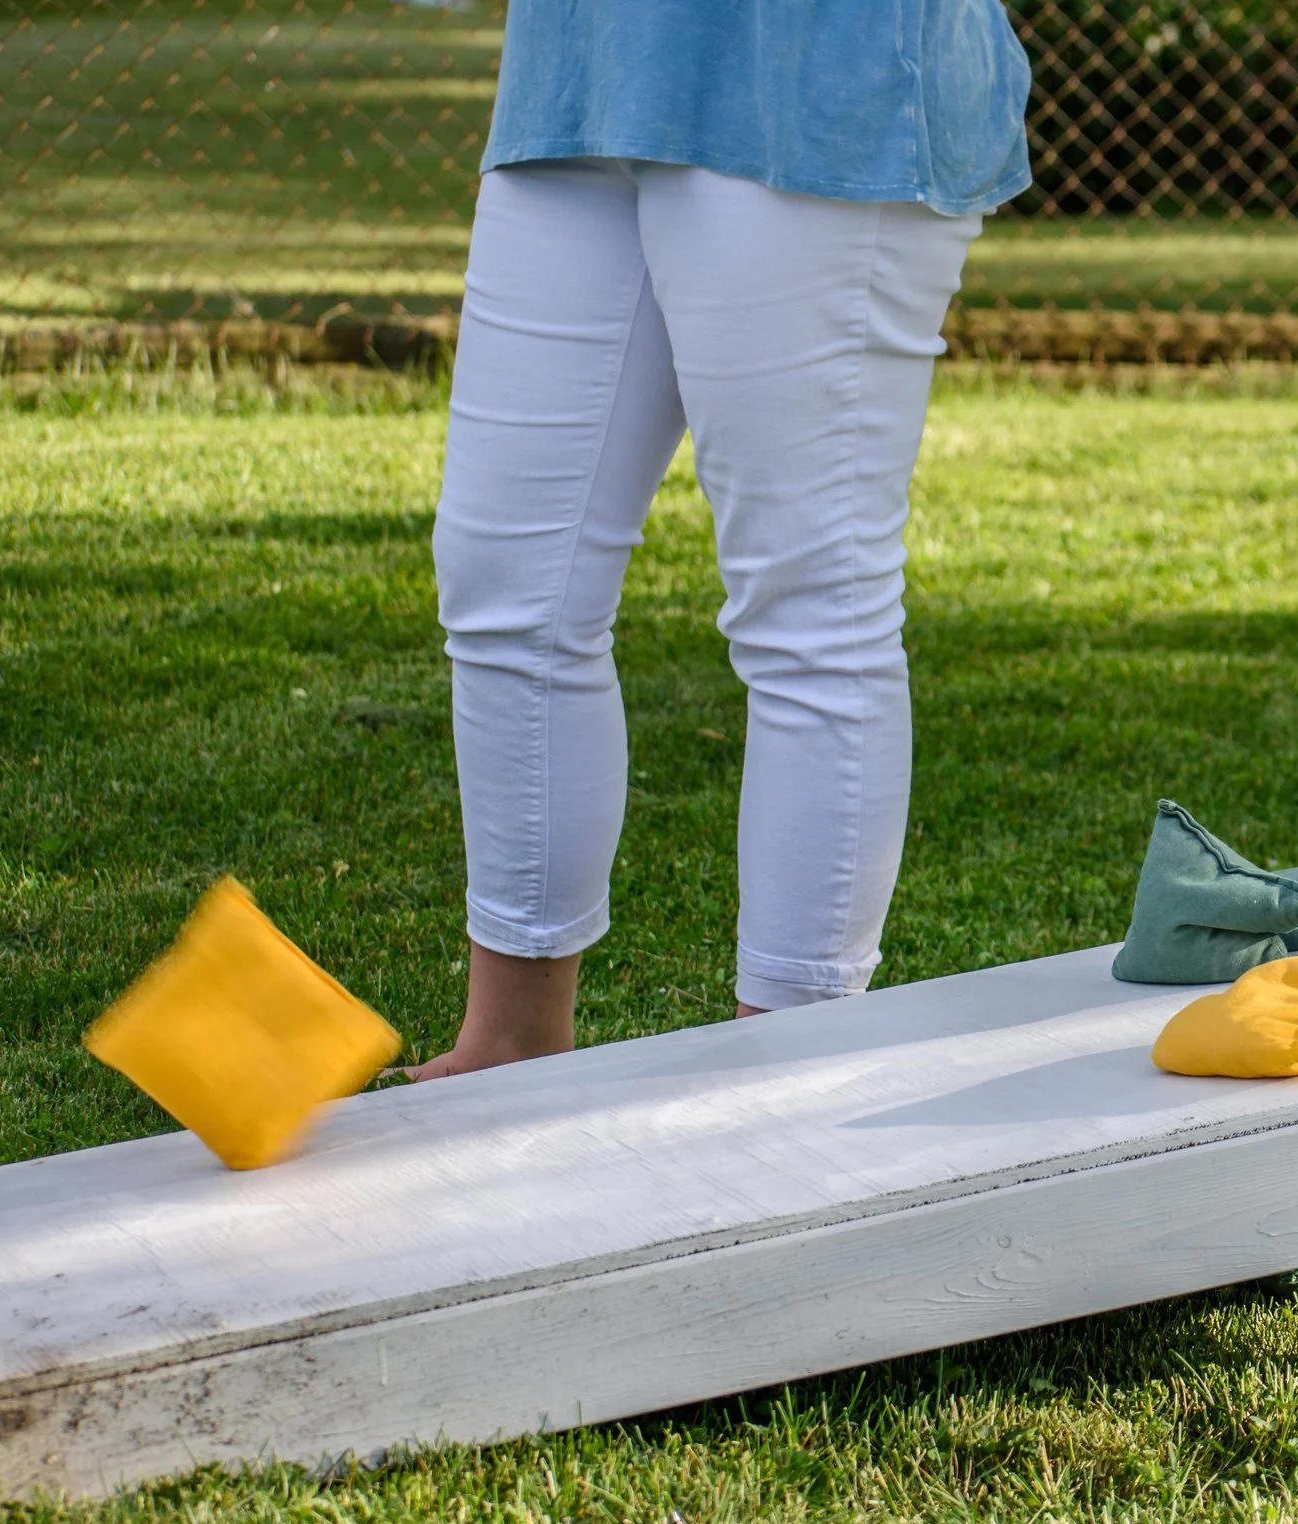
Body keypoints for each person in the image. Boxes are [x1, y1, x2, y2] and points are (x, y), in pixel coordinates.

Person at [406, 2, 1031, 1080]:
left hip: (813, 74)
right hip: (585, 74)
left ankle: (783, 1077)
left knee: (807, 602)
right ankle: (507, 1047)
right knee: (506, 583)